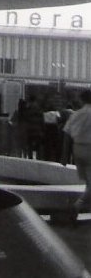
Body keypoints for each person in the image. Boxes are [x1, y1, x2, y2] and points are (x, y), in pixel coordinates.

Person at [61, 90, 91, 218]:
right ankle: (76, 206)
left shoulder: (75, 114)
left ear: (83, 100)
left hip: (77, 148)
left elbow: (67, 135)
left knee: (88, 183)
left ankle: (79, 209)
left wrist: (64, 156)